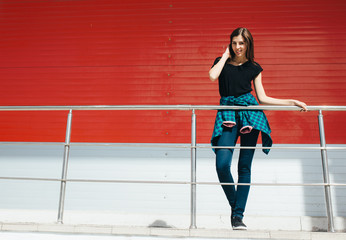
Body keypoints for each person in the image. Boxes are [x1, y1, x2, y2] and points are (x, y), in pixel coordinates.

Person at [209, 27, 307, 230]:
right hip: (227, 114)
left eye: (242, 43)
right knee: (222, 164)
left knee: (244, 167)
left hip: (250, 116)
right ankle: (236, 208)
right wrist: (225, 55)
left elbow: (262, 98)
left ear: (248, 44)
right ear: (230, 43)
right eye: (235, 42)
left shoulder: (254, 67)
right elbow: (212, 76)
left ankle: (237, 217)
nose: (238, 47)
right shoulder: (221, 62)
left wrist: (291, 101)